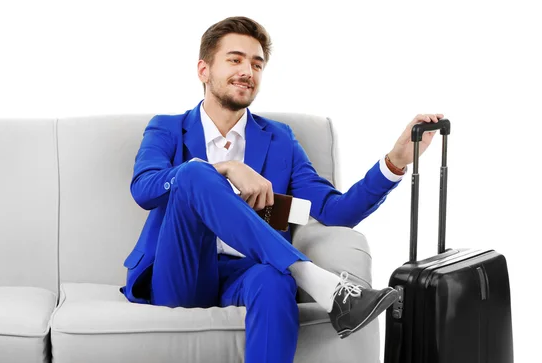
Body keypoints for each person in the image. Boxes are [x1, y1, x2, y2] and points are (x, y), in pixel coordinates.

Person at [120, 16, 443, 363]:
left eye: (257, 64)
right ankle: (316, 280)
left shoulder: (281, 139)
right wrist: (226, 167)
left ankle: (298, 275)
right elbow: (144, 188)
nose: (248, 70)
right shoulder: (167, 128)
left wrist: (395, 162)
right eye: (235, 59)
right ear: (203, 70)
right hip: (180, 269)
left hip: (246, 271)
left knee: (275, 283)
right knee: (193, 175)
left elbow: (336, 211)